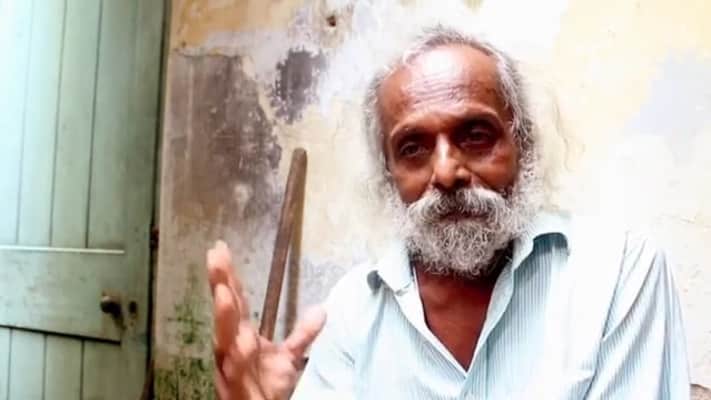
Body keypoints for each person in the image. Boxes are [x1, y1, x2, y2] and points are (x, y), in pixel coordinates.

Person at [207, 7, 690, 400]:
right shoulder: (353, 310)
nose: (445, 172)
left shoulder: (619, 274)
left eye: (475, 135)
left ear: (523, 146)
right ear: (388, 176)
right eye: (412, 148)